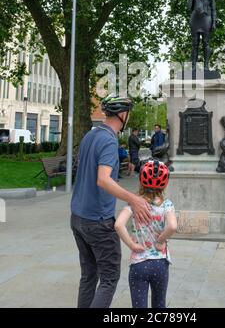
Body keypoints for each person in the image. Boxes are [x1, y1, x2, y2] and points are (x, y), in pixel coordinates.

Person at [70, 95, 152, 309]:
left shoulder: (91, 135)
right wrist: (134, 199)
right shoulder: (108, 139)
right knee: (108, 278)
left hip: (78, 218)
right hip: (98, 221)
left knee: (88, 275)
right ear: (123, 114)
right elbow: (103, 179)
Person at [115, 159, 177, 308]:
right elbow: (173, 226)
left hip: (139, 264)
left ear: (141, 181)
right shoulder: (167, 205)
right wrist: (160, 241)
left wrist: (131, 244)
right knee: (159, 305)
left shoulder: (134, 204)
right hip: (160, 263)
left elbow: (118, 224)